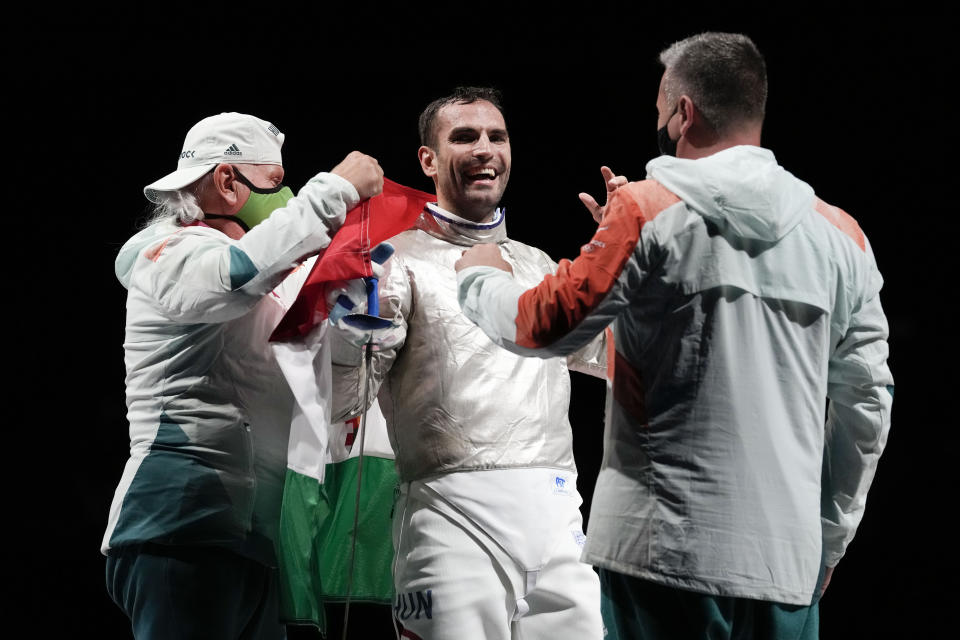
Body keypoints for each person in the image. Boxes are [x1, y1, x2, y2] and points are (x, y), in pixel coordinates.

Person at [455, 33, 893, 640]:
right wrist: (829, 538)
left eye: (661, 110)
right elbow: (867, 408)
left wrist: (479, 274)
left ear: (683, 112)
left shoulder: (647, 210)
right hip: (786, 568)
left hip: (661, 557)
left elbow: (542, 327)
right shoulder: (845, 237)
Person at [329, 87, 610, 640]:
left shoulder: (537, 265)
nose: (485, 149)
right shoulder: (395, 263)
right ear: (428, 160)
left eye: (496, 137)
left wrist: (623, 263)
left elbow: (619, 360)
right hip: (450, 521)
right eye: (464, 137)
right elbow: (343, 402)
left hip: (558, 518)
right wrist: (349, 327)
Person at [101, 111, 385, 640]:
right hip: (180, 527)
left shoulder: (273, 280)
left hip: (262, 542)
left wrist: (354, 318)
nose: (289, 197)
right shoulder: (168, 253)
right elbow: (231, 278)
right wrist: (334, 191)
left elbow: (332, 398)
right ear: (229, 181)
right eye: (277, 185)